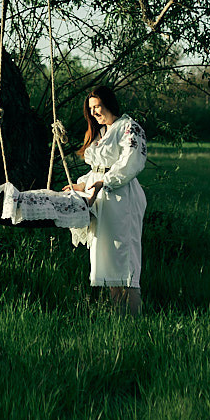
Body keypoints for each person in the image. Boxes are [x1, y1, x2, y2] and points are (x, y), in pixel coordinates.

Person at [65, 85, 147, 313]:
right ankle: (118, 313)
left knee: (123, 252)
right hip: (101, 198)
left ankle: (134, 314)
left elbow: (130, 163)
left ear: (108, 103)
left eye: (97, 106)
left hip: (122, 197)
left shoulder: (129, 128)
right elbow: (97, 169)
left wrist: (105, 182)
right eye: (91, 108)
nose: (94, 112)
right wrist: (82, 184)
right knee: (107, 254)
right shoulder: (101, 133)